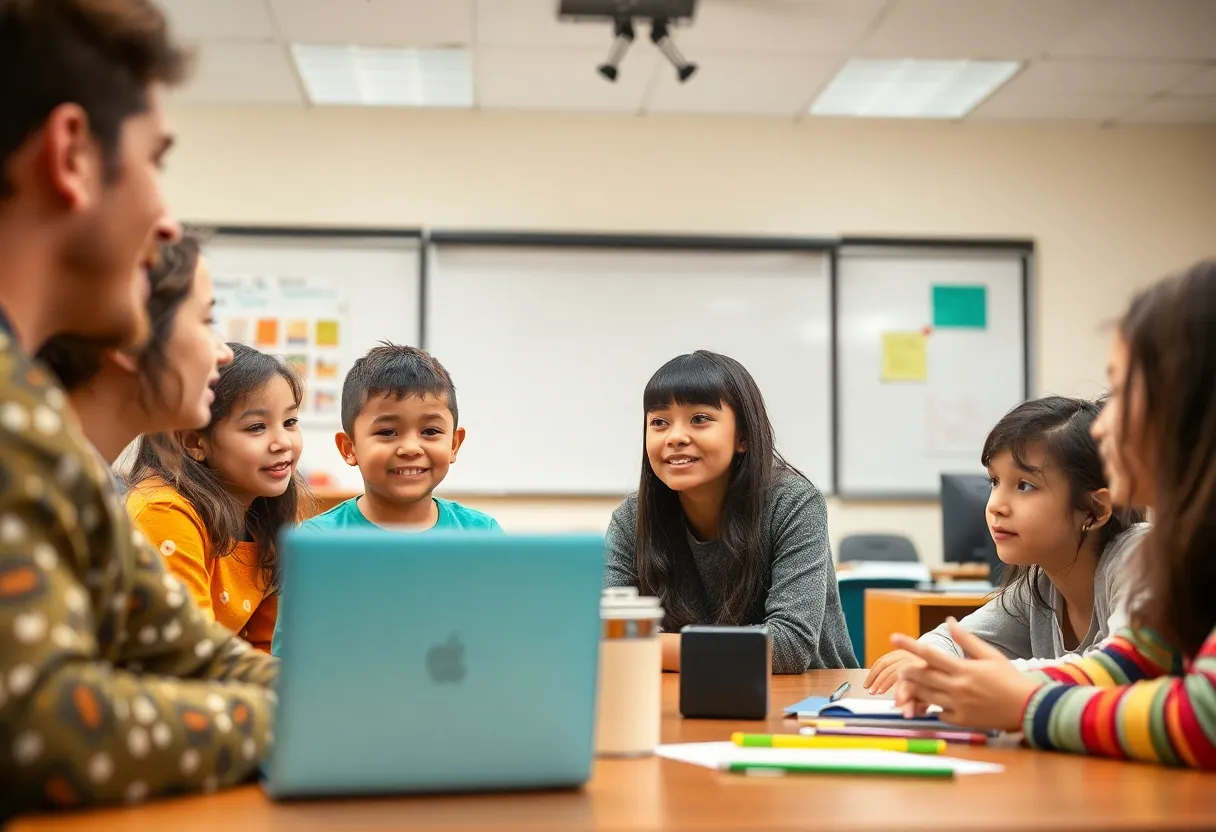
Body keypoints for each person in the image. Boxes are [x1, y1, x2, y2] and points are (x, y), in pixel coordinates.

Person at [0, 0, 277, 815]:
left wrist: (345, 703)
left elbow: (187, 652)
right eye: (156, 159)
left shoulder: (35, 413)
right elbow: (39, 726)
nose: (165, 221)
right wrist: (299, 717)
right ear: (73, 155)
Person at [891, 259, 1216, 768]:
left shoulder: (1142, 553)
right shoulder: (1049, 585)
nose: (1103, 428)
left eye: (1125, 391)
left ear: (1194, 405)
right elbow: (1130, 663)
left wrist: (1024, 704)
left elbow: (1204, 716)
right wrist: (975, 683)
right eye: (994, 483)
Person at [865, 396, 1148, 694]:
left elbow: (1121, 668)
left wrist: (979, 674)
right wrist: (925, 660)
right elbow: (953, 640)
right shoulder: (1039, 586)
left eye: (1025, 485)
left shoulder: (1141, 556)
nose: (996, 506)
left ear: (1094, 509)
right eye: (994, 482)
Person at [604, 350, 855, 675]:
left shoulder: (792, 503)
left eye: (700, 419)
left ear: (743, 437)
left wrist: (640, 645)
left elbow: (788, 647)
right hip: (686, 691)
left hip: (807, 701)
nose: (675, 437)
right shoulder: (632, 517)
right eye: (659, 422)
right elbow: (602, 628)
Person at [270, 344, 500, 656]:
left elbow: (498, 639)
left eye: (430, 431)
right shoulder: (316, 544)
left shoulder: (482, 536)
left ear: (454, 444)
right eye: (388, 432)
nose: (409, 447)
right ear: (349, 447)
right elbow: (293, 660)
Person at [126, 344, 309, 652]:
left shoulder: (268, 518)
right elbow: (191, 654)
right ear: (195, 442)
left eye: (290, 422)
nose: (282, 442)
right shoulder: (163, 511)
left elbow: (266, 646)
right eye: (256, 427)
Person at [35, 230, 234, 466]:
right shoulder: (41, 487)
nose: (225, 354)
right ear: (128, 336)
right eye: (207, 321)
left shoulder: (68, 475)